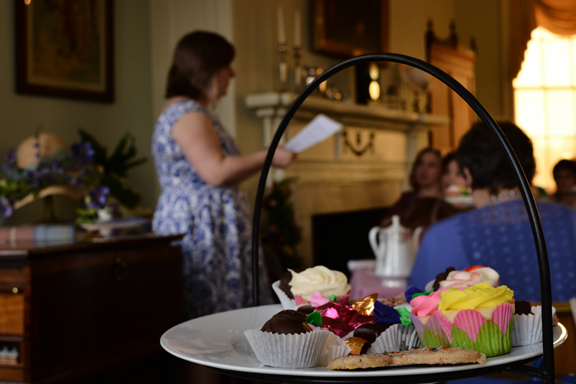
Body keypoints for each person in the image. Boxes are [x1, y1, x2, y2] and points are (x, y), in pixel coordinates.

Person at [152, 31, 297, 320]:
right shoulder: (188, 114)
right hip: (202, 229)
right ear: (206, 68)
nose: (232, 73)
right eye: (226, 66)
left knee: (221, 320)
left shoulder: (193, 112)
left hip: (212, 225)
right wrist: (269, 155)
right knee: (210, 322)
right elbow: (215, 172)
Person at [409, 121, 576, 301]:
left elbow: (416, 306)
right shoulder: (571, 219)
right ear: (530, 169)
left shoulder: (443, 236)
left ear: (468, 174)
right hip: (566, 328)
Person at [379, 147, 459, 232]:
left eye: (431, 165)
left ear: (441, 170)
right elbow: (384, 224)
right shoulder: (407, 199)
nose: (424, 170)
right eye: (420, 163)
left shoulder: (450, 199)